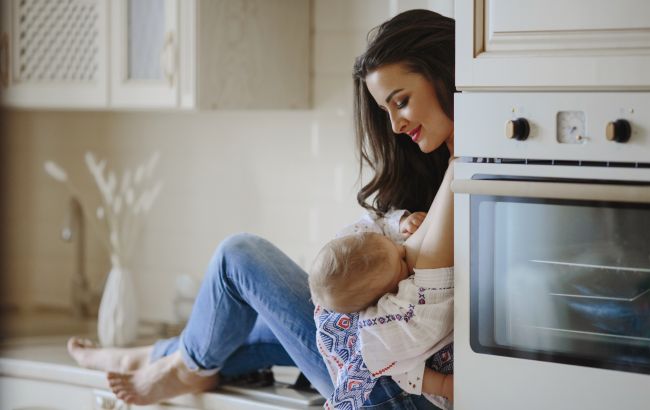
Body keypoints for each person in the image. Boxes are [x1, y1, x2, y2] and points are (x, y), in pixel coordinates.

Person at [66, 8, 455, 409]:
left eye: (401, 101)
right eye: (386, 110)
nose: (395, 126)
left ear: (444, 72)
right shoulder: (445, 164)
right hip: (391, 364)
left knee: (239, 256)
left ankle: (180, 366)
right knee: (265, 332)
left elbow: (421, 289)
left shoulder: (468, 167)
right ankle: (156, 356)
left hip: (393, 385)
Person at [312, 166, 454, 409]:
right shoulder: (379, 336)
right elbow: (406, 375)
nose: (403, 248)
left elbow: (376, 229)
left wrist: (402, 223)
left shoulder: (377, 248)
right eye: (401, 261)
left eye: (394, 245)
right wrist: (442, 385)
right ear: (383, 299)